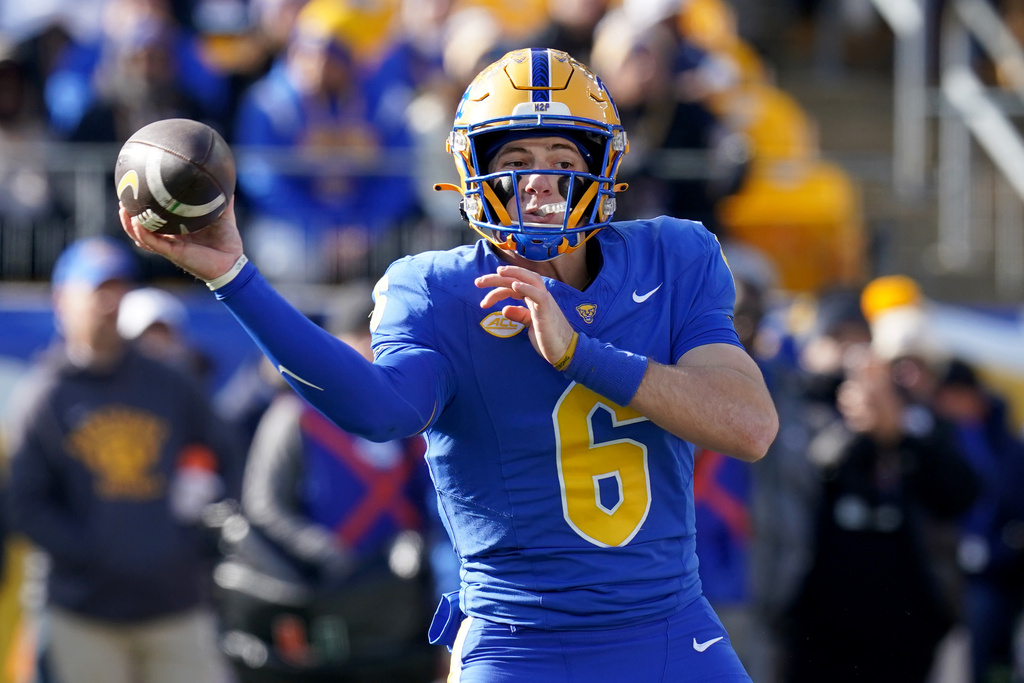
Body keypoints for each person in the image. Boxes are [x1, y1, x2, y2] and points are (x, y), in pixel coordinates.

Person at [121, 47, 778, 682]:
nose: (540, 181)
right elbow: (382, 411)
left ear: (604, 166)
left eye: (561, 156)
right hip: (521, 644)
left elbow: (749, 426)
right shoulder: (435, 289)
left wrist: (580, 353)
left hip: (669, 629)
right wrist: (234, 275)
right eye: (515, 158)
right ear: (472, 172)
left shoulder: (674, 255)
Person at [3, 236, 237, 683]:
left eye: (119, 288)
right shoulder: (45, 396)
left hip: (175, 604)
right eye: (97, 290)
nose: (110, 303)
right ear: (62, 301)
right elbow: (26, 503)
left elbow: (226, 454)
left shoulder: (170, 382)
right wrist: (93, 557)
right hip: (86, 612)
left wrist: (200, 536)